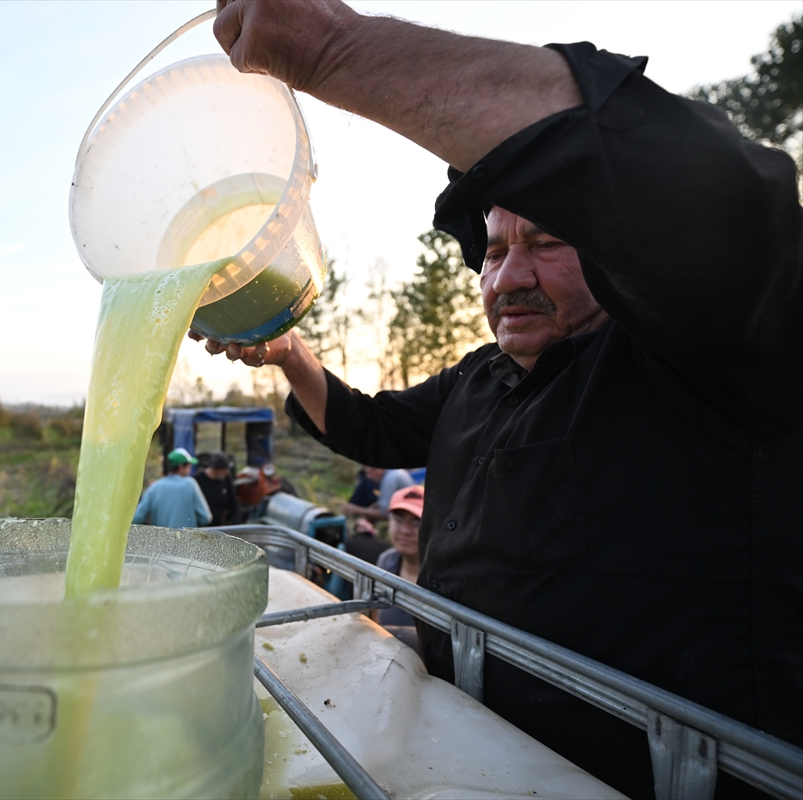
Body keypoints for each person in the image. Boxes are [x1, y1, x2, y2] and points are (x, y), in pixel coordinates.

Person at [197, 2, 801, 796]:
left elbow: (719, 202)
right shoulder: (477, 378)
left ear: (620, 254)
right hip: (465, 754)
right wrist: (286, 351)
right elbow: (370, 426)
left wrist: (336, 49)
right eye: (492, 252)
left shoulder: (705, 355)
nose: (508, 277)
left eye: (548, 242)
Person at [375, 486, 424, 635]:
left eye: (417, 522)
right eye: (399, 518)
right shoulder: (386, 561)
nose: (405, 530)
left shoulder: (445, 579)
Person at [132, 447, 212, 529]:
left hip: (161, 540)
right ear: (181, 466)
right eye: (188, 467)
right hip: (186, 540)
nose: (189, 471)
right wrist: (190, 524)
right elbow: (206, 518)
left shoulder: (154, 488)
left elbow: (137, 518)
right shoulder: (190, 484)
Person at [340, 465, 414, 522]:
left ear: (379, 470)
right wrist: (372, 507)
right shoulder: (393, 472)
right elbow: (388, 501)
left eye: (369, 473)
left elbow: (385, 514)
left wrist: (356, 509)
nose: (368, 477)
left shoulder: (389, 479)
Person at [194, 452, 240, 527]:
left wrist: (236, 522)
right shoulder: (197, 480)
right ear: (216, 469)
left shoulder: (226, 479)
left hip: (219, 526)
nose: (226, 472)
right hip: (202, 527)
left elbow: (233, 502)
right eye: (224, 469)